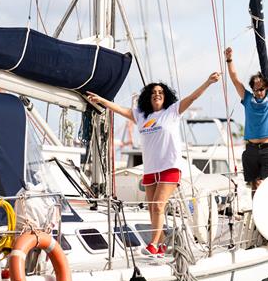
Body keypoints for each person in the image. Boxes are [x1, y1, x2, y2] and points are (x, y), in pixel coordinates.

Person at [86, 72, 221, 257]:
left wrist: (208, 81)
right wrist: (101, 99)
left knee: (158, 206)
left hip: (170, 167)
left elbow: (192, 97)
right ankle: (165, 239)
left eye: (160, 92)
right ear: (148, 98)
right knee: (152, 209)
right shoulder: (141, 116)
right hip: (150, 169)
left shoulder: (172, 111)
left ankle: (153, 245)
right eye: (153, 93)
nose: (157, 94)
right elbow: (119, 109)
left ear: (165, 97)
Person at [225, 44, 268, 190]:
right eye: (256, 89)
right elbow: (235, 80)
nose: (259, 92)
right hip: (252, 149)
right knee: (255, 185)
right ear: (252, 89)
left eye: (261, 89)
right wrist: (229, 60)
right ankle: (256, 212)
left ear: (266, 88)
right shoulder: (248, 99)